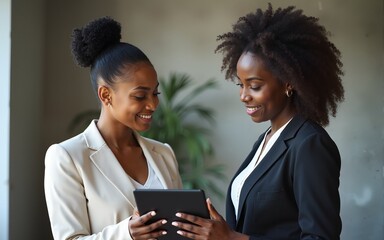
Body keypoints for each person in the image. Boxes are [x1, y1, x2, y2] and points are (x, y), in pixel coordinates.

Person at [172, 4, 344, 240]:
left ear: (288, 83)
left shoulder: (309, 145)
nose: (244, 96)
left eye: (254, 86)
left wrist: (232, 238)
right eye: (240, 85)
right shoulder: (267, 140)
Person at [44, 16, 182, 240]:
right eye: (140, 95)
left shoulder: (164, 154)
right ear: (106, 95)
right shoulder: (67, 157)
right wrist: (126, 233)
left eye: (155, 93)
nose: (153, 104)